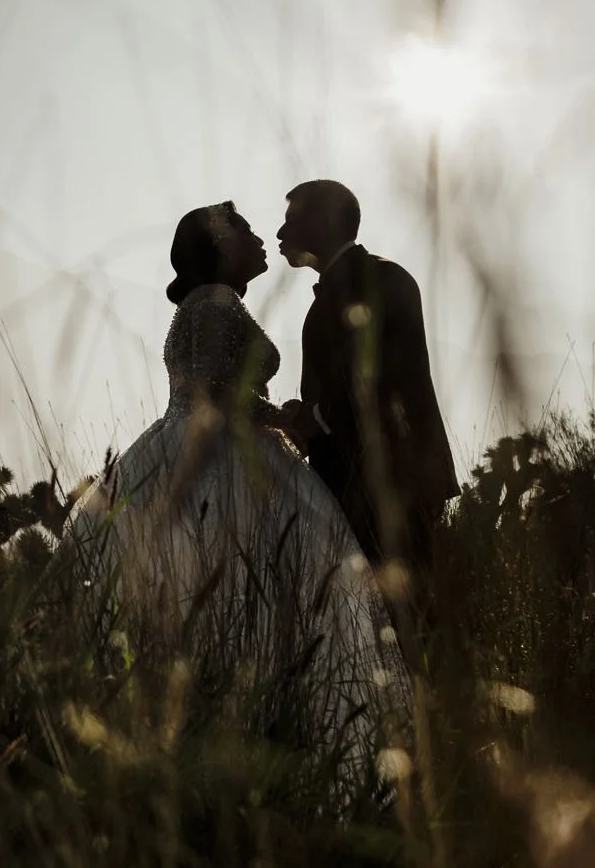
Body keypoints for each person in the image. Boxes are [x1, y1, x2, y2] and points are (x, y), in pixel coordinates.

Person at [65, 202, 410, 795]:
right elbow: (215, 393)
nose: (260, 239)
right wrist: (288, 422)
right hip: (225, 463)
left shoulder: (206, 307)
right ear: (221, 245)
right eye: (247, 230)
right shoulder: (217, 306)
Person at [276, 179, 457, 583]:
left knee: (407, 622)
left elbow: (382, 376)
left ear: (327, 222)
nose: (280, 233)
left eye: (292, 220)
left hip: (397, 485)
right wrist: (306, 414)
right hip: (348, 488)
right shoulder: (330, 297)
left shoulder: (385, 281)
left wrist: (317, 417)